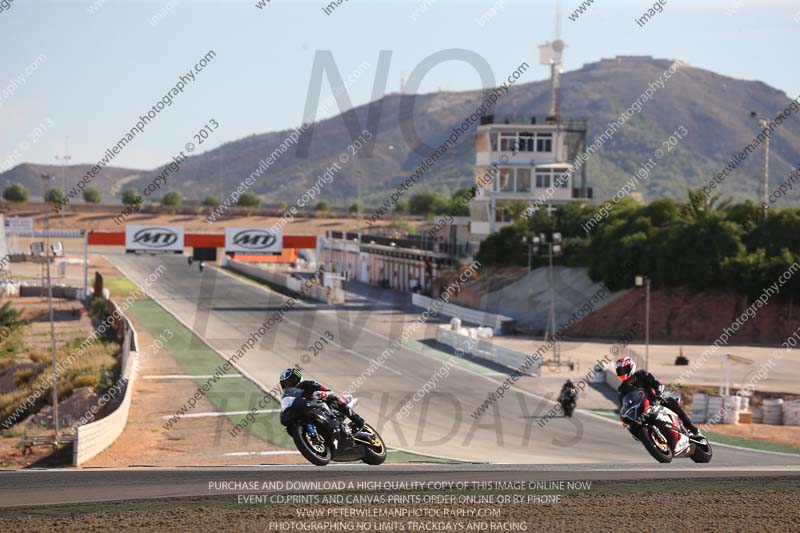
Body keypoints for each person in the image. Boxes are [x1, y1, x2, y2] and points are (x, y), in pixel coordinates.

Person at [615, 356, 700, 436]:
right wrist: (624, 415)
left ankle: (689, 425)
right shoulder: (622, 389)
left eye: (624, 370)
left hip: (654, 401)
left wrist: (658, 394)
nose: (623, 373)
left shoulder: (642, 374)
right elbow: (623, 405)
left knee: (670, 401)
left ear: (631, 367)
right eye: (620, 371)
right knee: (633, 429)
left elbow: (656, 383)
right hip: (639, 410)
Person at [278, 368, 364, 431]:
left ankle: (357, 420)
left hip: (321, 405)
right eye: (285, 384)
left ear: (296, 378)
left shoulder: (307, 384)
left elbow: (326, 390)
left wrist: (322, 394)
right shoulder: (290, 394)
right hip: (307, 410)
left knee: (334, 399)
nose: (288, 385)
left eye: (289, 382)